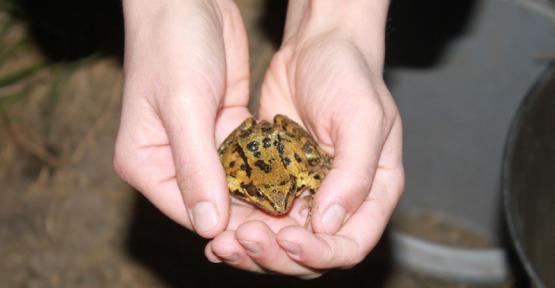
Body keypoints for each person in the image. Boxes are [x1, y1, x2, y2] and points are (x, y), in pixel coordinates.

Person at [113, 0, 404, 279]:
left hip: (273, 140)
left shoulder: (293, 179)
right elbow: (227, 172)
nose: (280, 207)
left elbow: (311, 174)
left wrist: (335, 27)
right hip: (250, 146)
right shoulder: (241, 183)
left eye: (286, 195)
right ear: (256, 193)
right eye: (267, 199)